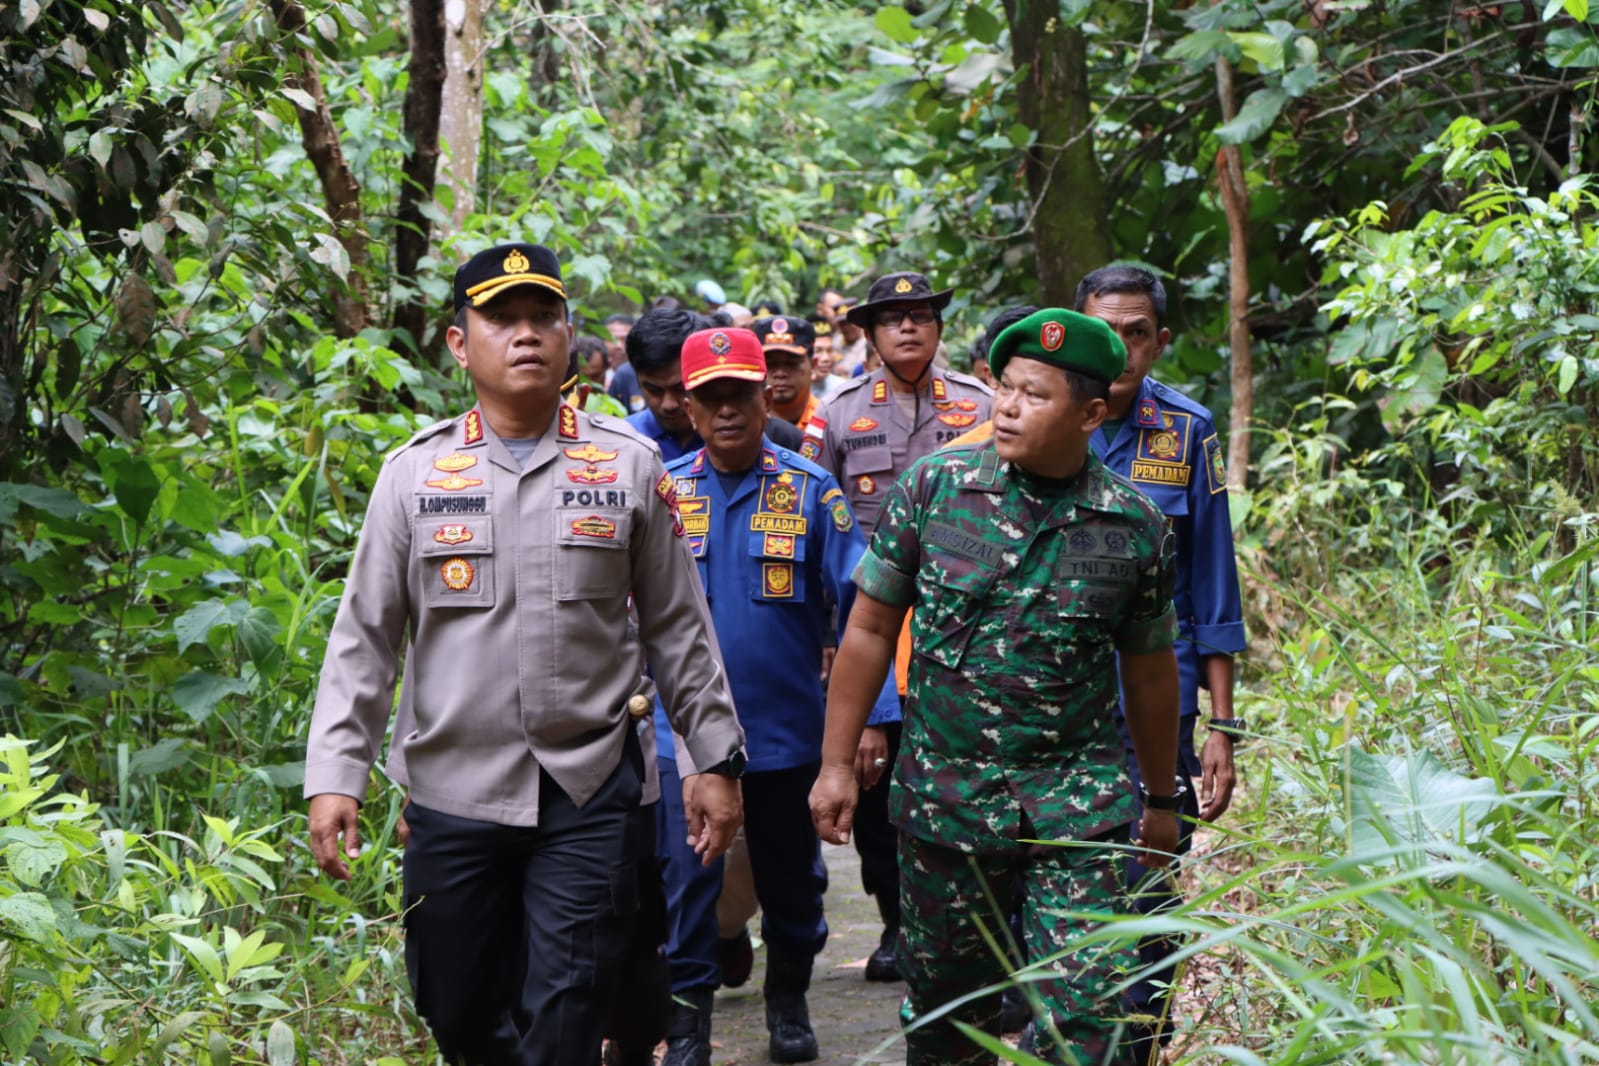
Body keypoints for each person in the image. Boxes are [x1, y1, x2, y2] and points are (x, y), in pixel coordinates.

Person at [304, 243, 747, 1066]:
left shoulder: (624, 467)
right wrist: (337, 775)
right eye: (501, 319)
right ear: (457, 344)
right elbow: (365, 637)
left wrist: (712, 760)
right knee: (457, 1005)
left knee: (570, 1009)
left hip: (586, 785)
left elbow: (678, 629)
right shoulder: (414, 476)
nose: (525, 335)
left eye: (543, 317)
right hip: (452, 788)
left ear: (569, 335)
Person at [808, 308, 1183, 1066]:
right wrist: (837, 763)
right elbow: (871, 629)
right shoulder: (935, 488)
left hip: (1077, 806)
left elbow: (1147, 669)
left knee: (1089, 1014)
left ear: (1091, 414)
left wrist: (1161, 800)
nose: (1006, 408)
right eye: (1003, 389)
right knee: (950, 1019)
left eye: (1033, 396)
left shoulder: (1133, 526)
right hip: (948, 800)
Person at [652, 328, 899, 1066]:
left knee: (794, 885)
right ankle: (688, 1029)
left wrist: (875, 717)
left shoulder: (810, 488)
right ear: (687, 408)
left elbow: (863, 606)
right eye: (710, 398)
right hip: (682, 740)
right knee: (687, 887)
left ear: (766, 397)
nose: (727, 411)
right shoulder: (663, 493)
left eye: (740, 394)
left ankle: (787, 1002)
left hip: (788, 735)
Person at [801, 270, 994, 982]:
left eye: (920, 317)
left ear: (938, 328)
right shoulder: (839, 412)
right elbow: (819, 529)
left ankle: (965, 925)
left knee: (961, 770)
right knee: (877, 779)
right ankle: (895, 920)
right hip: (874, 620)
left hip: (966, 622)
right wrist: (826, 638)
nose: (908, 329)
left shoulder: (982, 406)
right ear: (869, 334)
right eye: (892, 319)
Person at [1075, 264, 1246, 1057]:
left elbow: (1212, 580)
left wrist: (1223, 725)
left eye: (1136, 332)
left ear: (1160, 339)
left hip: (1159, 699)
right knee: (1066, 874)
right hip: (1055, 695)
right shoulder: (1049, 418)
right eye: (1104, 330)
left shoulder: (1186, 430)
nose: (1120, 348)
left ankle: (1144, 1035)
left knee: (1151, 867)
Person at [626, 309, 802, 462]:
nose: (668, 404)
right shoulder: (622, 442)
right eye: (653, 390)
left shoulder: (780, 437)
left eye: (680, 389)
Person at [753, 314, 821, 431]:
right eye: (770, 365)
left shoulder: (830, 418)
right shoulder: (747, 424)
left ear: (813, 365)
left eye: (791, 364)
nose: (780, 373)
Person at [810, 319, 839, 398]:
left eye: (830, 350)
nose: (826, 358)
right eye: (818, 351)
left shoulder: (841, 388)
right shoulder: (790, 388)